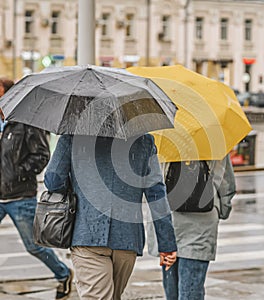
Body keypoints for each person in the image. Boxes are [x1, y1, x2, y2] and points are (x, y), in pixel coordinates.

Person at [44, 133, 177, 300]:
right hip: (126, 239)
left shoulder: (73, 138)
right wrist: (167, 243)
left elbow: (53, 181)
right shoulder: (143, 141)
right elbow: (156, 194)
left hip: (87, 235)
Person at [0, 78, 73, 300]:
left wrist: (18, 174)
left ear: (8, 95)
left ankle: (62, 273)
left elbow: (41, 155)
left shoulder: (26, 122)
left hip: (19, 196)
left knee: (34, 246)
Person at [148, 155, 236, 300]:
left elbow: (150, 183)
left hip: (168, 223)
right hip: (201, 224)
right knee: (192, 290)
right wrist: (222, 210)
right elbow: (226, 184)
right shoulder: (213, 140)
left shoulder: (161, 141)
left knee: (172, 290)